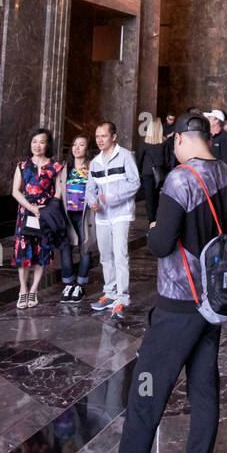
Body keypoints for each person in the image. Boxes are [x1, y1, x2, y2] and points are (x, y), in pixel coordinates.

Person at [64, 113, 227, 453]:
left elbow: (160, 245)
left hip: (180, 301)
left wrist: (160, 225)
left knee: (146, 397)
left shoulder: (180, 180)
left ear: (179, 140)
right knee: (204, 388)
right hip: (215, 298)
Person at [87, 121, 140, 317]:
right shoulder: (95, 162)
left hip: (121, 214)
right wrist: (92, 201)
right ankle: (109, 293)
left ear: (114, 136)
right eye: (97, 136)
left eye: (103, 135)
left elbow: (135, 183)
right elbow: (90, 188)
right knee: (105, 256)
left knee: (120, 255)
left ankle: (122, 297)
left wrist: (109, 198)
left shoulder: (125, 156)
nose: (100, 139)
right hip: (102, 216)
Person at [12, 129, 64, 309]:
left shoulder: (55, 167)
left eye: (41, 142)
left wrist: (50, 208)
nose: (37, 145)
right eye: (34, 141)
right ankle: (23, 289)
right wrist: (31, 207)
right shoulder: (22, 165)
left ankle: (34, 289)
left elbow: (58, 191)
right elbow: (15, 191)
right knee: (23, 253)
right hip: (26, 214)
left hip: (45, 215)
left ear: (47, 144)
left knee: (42, 252)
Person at [59, 134, 97, 302]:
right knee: (65, 247)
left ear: (87, 149)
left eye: (81, 145)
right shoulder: (65, 167)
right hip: (67, 213)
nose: (76, 148)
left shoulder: (93, 167)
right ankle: (68, 283)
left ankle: (80, 285)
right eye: (74, 144)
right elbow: (58, 191)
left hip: (85, 213)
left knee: (85, 247)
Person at [136, 117, 166, 225]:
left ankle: (151, 221)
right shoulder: (164, 142)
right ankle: (158, 219)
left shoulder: (144, 142)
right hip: (160, 173)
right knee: (158, 197)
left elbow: (140, 158)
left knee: (149, 198)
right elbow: (166, 159)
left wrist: (139, 171)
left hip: (147, 173)